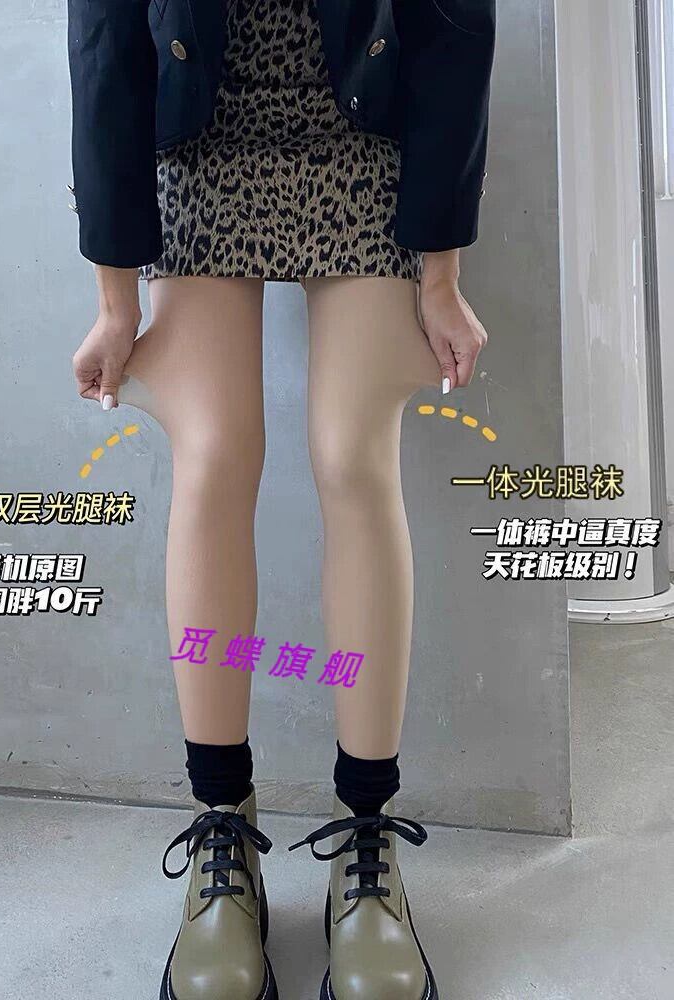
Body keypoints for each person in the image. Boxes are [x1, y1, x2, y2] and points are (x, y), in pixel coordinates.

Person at [66, 1, 496, 997]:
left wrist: (441, 275)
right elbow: (104, 40)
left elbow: (453, 26)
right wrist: (115, 299)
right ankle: (224, 824)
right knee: (215, 454)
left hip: (365, 136)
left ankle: (366, 836)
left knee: (352, 458)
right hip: (203, 137)